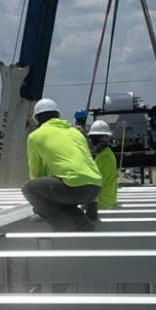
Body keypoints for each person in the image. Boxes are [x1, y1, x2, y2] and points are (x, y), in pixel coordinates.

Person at [22, 98, 102, 232]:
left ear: (38, 120)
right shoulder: (75, 133)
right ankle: (82, 223)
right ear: (58, 115)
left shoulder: (35, 136)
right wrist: (93, 205)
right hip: (95, 187)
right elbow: (87, 164)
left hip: (74, 188)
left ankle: (63, 226)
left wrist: (41, 202)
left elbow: (36, 171)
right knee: (62, 193)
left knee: (29, 188)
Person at [84, 120, 118, 221]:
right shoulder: (104, 154)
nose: (94, 141)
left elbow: (97, 183)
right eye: (93, 138)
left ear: (106, 138)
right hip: (107, 199)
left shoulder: (104, 157)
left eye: (97, 138)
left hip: (102, 203)